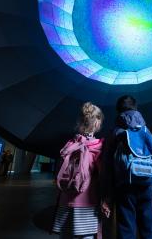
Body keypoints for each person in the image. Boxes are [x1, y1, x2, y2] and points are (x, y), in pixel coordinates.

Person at [101, 95, 152, 239]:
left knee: (126, 228)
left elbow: (107, 165)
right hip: (147, 184)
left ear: (118, 111)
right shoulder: (146, 130)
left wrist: (107, 195)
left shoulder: (115, 132)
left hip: (124, 187)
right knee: (149, 227)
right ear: (136, 108)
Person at [55, 102, 104, 239]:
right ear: (96, 123)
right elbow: (102, 175)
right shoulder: (98, 146)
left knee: (65, 236)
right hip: (88, 202)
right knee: (86, 236)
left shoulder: (70, 144)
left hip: (65, 201)